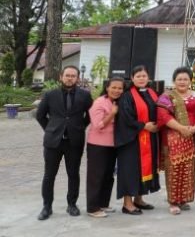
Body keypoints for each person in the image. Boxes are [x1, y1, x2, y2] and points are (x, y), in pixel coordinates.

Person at [36, 65, 93, 220]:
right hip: (53, 142)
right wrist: (51, 129)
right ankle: (47, 207)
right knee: (49, 175)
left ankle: (72, 205)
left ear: (77, 78)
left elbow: (90, 115)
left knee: (73, 174)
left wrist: (80, 126)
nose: (70, 78)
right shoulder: (50, 95)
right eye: (67, 75)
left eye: (73, 76)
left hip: (74, 142)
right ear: (61, 77)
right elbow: (40, 115)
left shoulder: (85, 96)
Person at [114, 65, 160, 215]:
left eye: (144, 76)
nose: (141, 78)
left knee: (144, 168)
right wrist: (143, 126)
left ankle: (138, 199)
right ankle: (127, 204)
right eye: (138, 76)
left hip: (149, 138)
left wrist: (158, 125)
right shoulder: (127, 96)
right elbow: (126, 118)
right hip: (131, 140)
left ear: (148, 78)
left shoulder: (152, 93)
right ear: (132, 78)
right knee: (130, 170)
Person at [156, 67, 195, 215]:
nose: (182, 82)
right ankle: (173, 201)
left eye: (185, 79)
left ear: (190, 81)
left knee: (188, 169)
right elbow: (163, 116)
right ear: (174, 81)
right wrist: (181, 128)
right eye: (179, 79)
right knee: (174, 169)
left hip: (191, 136)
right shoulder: (167, 96)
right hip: (172, 138)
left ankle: (183, 199)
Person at [85, 77, 125, 218]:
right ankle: (92, 207)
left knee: (108, 176)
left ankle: (103, 203)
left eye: (120, 88)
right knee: (96, 176)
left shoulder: (118, 102)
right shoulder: (99, 102)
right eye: (113, 87)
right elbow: (98, 125)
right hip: (98, 145)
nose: (116, 90)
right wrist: (112, 114)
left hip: (113, 144)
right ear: (107, 87)